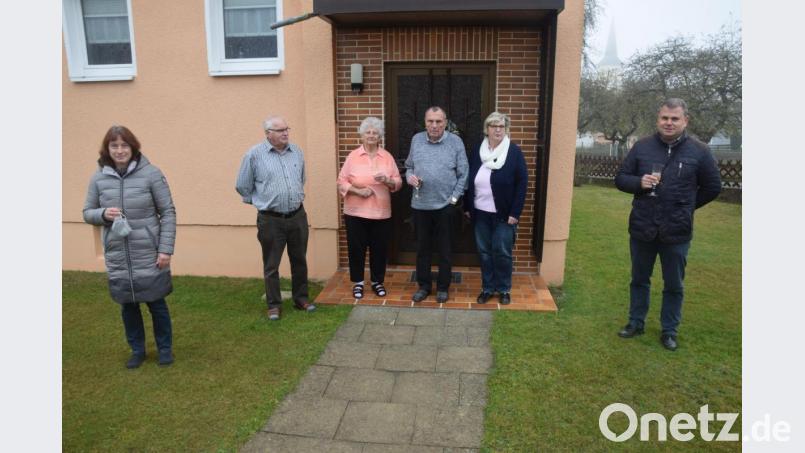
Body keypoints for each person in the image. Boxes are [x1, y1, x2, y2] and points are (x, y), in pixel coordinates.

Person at [614, 98, 721, 351]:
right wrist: (639, 183)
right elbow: (620, 179)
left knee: (674, 284)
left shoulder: (700, 151)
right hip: (643, 227)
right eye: (665, 118)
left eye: (674, 119)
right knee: (639, 279)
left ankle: (669, 330)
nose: (669, 123)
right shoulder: (641, 147)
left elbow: (712, 187)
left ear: (685, 120)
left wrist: (686, 207)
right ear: (657, 119)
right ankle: (635, 322)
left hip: (677, 231)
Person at [82, 125, 177, 369]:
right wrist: (103, 213)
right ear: (107, 149)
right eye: (114, 146)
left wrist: (165, 249)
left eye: (124, 145)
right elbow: (87, 213)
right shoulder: (98, 178)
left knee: (156, 303)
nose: (120, 150)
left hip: (149, 252)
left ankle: (165, 349)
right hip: (118, 254)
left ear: (133, 147)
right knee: (128, 305)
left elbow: (167, 212)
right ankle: (137, 350)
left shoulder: (152, 174)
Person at [236, 116, 315, 321]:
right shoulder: (254, 155)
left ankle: (301, 299)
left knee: (299, 260)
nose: (285, 133)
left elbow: (301, 179)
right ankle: (274, 305)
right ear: (268, 133)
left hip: (297, 215)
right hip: (270, 220)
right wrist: (262, 202)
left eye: (287, 129)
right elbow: (243, 185)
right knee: (272, 264)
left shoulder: (296, 152)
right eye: (280, 130)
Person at [405, 106, 469, 303]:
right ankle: (424, 286)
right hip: (420, 206)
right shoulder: (416, 140)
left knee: (445, 249)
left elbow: (464, 174)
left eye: (438, 121)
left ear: (445, 122)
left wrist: (454, 200)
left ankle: (443, 287)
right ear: (425, 122)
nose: (434, 125)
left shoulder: (455, 142)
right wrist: (409, 178)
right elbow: (408, 166)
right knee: (422, 249)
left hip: (445, 207)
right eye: (430, 121)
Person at [464, 112, 528, 305]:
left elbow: (522, 183)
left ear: (506, 129)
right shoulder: (477, 150)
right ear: (487, 129)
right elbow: (469, 179)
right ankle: (487, 288)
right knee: (484, 252)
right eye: (493, 126)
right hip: (480, 212)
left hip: (504, 214)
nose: (497, 129)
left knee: (502, 252)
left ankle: (503, 289)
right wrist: (467, 206)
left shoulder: (514, 152)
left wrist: (515, 213)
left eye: (501, 126)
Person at [337, 117, 402, 299]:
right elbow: (341, 181)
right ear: (362, 135)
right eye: (368, 132)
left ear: (379, 136)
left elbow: (398, 182)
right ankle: (357, 283)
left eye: (375, 132)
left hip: (381, 213)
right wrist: (358, 191)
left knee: (379, 249)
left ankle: (377, 281)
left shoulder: (387, 157)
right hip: (355, 212)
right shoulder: (353, 156)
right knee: (356, 249)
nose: (371, 135)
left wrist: (388, 180)